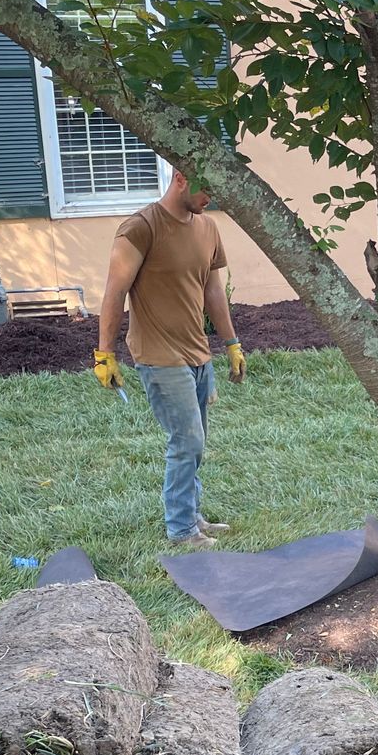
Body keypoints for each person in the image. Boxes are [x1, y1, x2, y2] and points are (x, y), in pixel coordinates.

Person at [93, 168, 247, 548]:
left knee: (197, 440)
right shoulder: (140, 228)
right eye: (207, 187)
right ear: (181, 177)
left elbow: (213, 290)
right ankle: (180, 530)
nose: (212, 197)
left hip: (198, 352)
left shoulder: (208, 228)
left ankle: (192, 515)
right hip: (158, 354)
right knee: (187, 440)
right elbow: (115, 293)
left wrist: (230, 343)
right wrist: (104, 354)